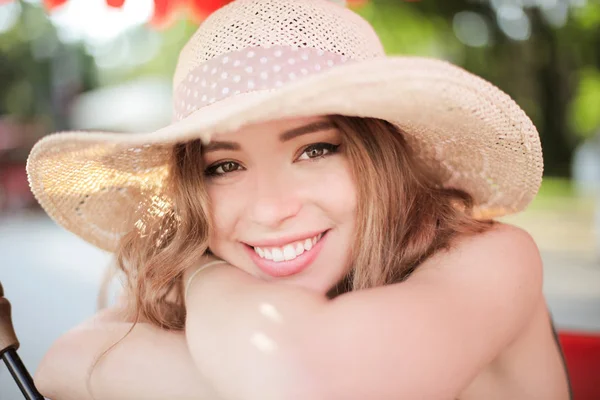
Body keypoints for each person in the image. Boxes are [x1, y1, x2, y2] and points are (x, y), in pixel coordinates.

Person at [27, 0, 571, 399]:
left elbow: (309, 383)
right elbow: (61, 360)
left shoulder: (494, 258)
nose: (270, 208)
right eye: (226, 166)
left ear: (379, 155)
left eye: (315, 150)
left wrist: (206, 278)